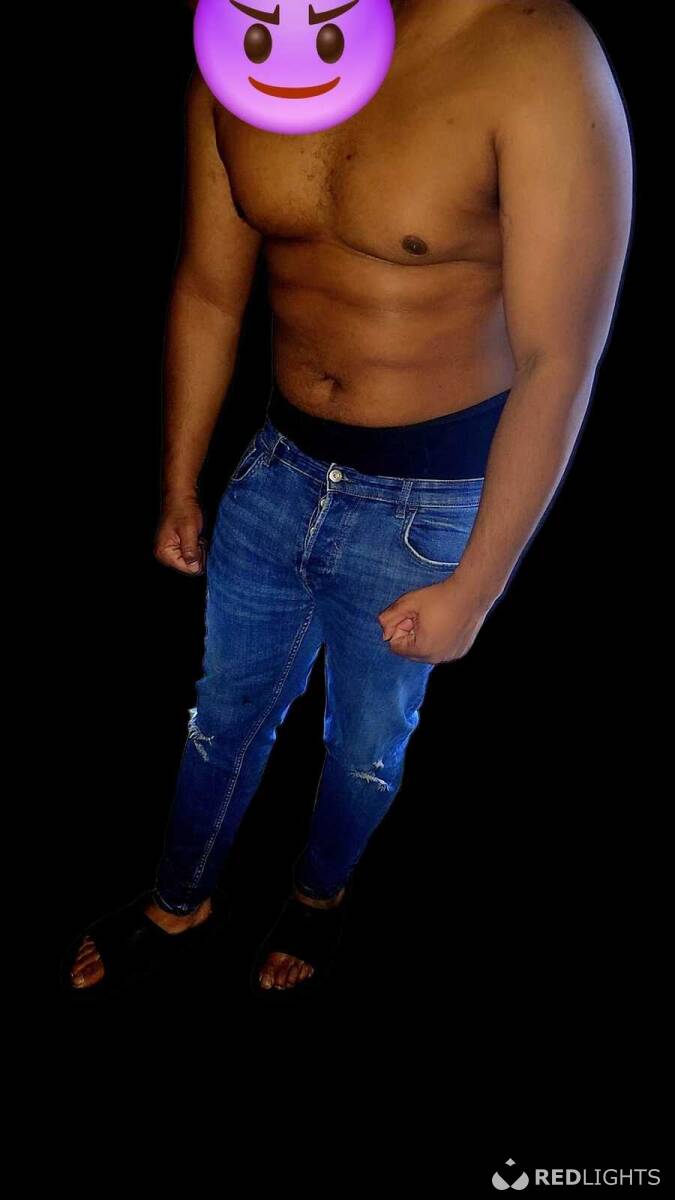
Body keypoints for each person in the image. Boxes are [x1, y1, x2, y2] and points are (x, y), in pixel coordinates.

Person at [63, 0, 633, 998]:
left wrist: (477, 587)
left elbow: (558, 360)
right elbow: (209, 288)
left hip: (428, 502)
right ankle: (180, 901)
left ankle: (317, 897)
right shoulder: (256, 29)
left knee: (365, 747)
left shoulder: (535, 53)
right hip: (278, 469)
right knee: (219, 717)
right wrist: (179, 480)